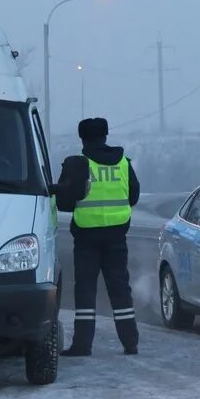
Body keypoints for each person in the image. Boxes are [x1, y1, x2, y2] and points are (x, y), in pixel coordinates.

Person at [56, 117, 141, 356]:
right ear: (105, 136)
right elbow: (133, 196)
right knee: (120, 288)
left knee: (85, 289)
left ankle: (82, 344)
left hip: (86, 238)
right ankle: (130, 341)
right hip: (116, 236)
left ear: (82, 139)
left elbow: (64, 201)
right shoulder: (123, 162)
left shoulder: (78, 164)